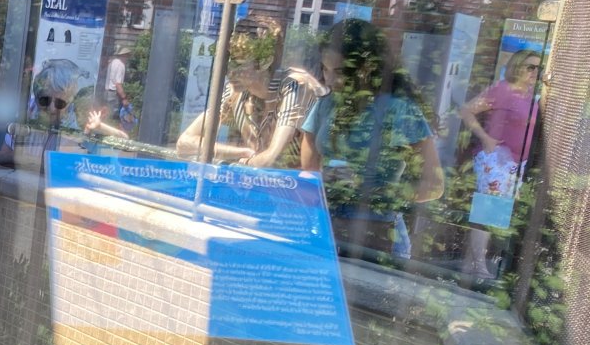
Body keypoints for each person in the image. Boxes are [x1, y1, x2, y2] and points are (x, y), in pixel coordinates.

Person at [299, 18, 444, 260]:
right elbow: (308, 171)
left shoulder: (398, 109)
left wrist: (372, 190)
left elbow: (434, 186)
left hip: (378, 233)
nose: (329, 81)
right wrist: (325, 181)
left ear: (367, 66)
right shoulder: (326, 105)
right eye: (325, 69)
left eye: (340, 72)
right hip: (326, 227)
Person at [457, 48, 542, 280]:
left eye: (538, 68)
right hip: (497, 160)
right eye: (530, 66)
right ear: (517, 66)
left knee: (496, 214)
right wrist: (485, 138)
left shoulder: (532, 95)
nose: (535, 71)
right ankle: (478, 265)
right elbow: (466, 110)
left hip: (517, 162)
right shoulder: (504, 89)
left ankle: (470, 262)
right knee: (488, 211)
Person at [175, 16, 281, 163]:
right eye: (228, 64)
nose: (230, 73)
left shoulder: (289, 96)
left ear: (264, 62)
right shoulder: (235, 95)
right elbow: (184, 143)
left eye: (239, 64)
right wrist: (242, 152)